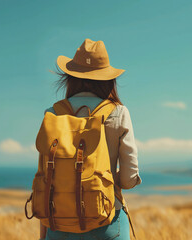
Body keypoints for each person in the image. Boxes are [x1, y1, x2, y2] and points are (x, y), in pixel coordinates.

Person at [40, 38, 142, 240]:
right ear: (108, 79)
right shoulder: (119, 113)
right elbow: (130, 179)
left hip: (59, 222)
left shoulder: (52, 114)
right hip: (108, 220)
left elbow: (45, 176)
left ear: (70, 77)